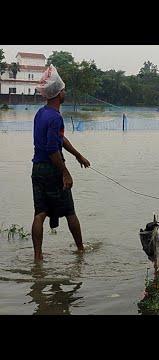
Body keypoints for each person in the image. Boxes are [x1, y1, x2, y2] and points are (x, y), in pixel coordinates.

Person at [31, 64, 91, 262]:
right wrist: (65, 173)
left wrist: (77, 155)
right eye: (63, 89)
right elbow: (51, 149)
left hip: (37, 169)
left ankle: (38, 257)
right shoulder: (56, 117)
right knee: (69, 211)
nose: (65, 92)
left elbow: (59, 140)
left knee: (40, 213)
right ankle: (81, 251)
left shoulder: (41, 113)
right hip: (52, 168)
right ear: (58, 94)